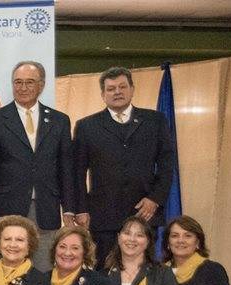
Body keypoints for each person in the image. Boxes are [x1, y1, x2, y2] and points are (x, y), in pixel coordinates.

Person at [72, 66, 176, 264]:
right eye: (111, 89)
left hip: (144, 213)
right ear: (103, 94)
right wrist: (81, 209)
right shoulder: (86, 126)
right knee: (105, 272)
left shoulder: (155, 121)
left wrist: (155, 198)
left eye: (122, 87)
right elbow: (77, 172)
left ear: (132, 89)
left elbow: (167, 164)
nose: (117, 92)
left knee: (145, 272)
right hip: (103, 217)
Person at [0, 61, 73, 270]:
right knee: (5, 271)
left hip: (45, 209)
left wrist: (69, 208)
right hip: (6, 208)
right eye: (18, 82)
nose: (23, 88)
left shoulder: (59, 120)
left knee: (43, 271)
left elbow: (65, 168)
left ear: (41, 85)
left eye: (29, 82)